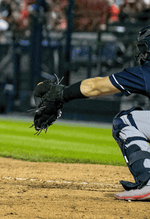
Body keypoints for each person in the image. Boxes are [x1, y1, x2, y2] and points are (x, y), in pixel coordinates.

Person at [32, 25, 150, 201]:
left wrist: (62, 94)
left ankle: (148, 181)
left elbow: (96, 86)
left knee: (126, 121)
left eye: (145, 49)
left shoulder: (146, 72)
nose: (143, 54)